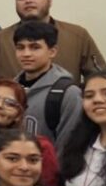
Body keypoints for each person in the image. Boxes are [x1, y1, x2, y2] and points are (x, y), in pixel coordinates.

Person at [0, 0, 106, 90]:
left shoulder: (77, 35)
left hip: (64, 112)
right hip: (14, 113)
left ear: (49, 1)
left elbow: (99, 76)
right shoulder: (0, 39)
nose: (28, 1)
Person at [12, 19, 84, 148]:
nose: (26, 54)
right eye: (20, 47)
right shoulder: (9, 90)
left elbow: (68, 148)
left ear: (52, 51)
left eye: (35, 47)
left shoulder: (68, 94)